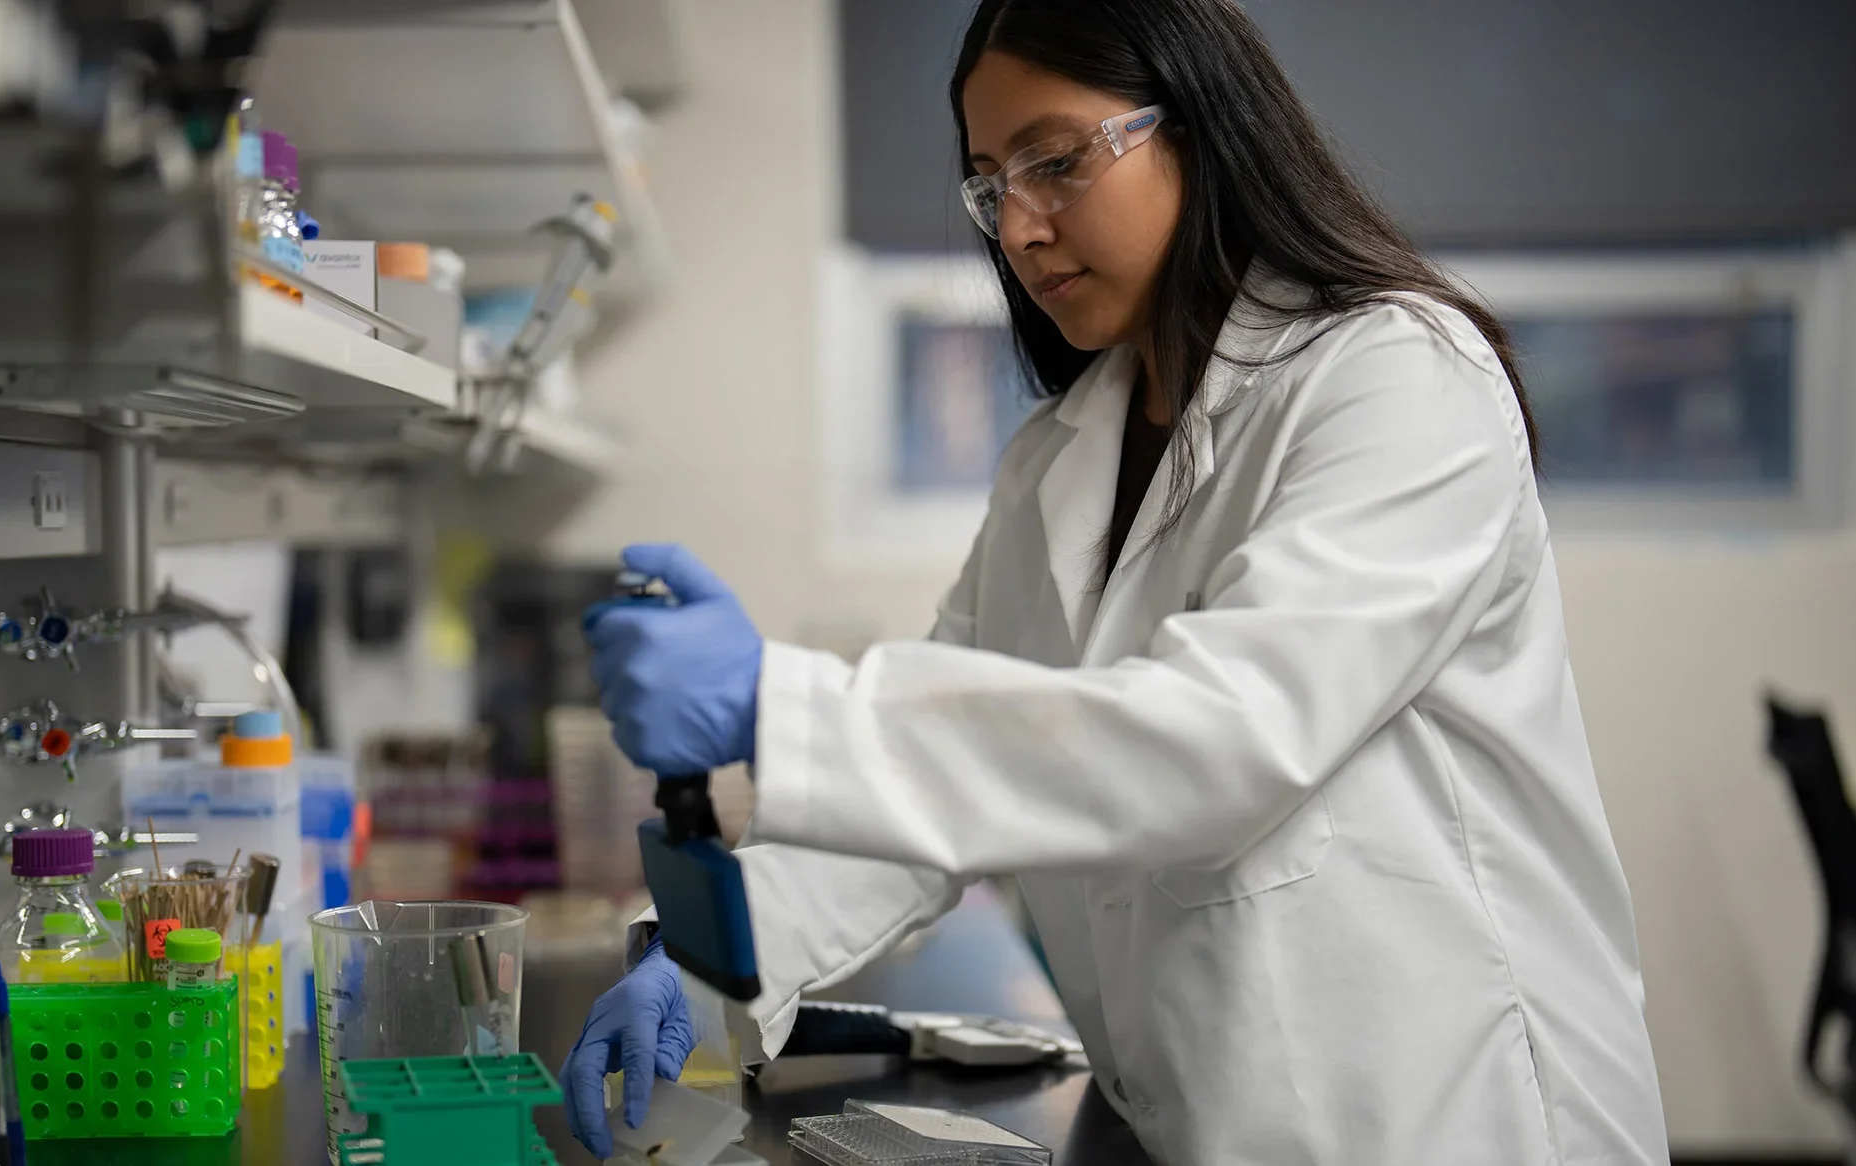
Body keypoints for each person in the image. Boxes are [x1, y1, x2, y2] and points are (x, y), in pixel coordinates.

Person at [565, 0, 1668, 1161]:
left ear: (1203, 126)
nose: (1022, 228)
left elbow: (1221, 740)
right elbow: (930, 812)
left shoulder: (1397, 379)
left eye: (1057, 159)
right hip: (1194, 1121)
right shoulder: (1060, 457)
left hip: (1448, 1120)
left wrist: (773, 705)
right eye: (991, 185)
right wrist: (711, 950)